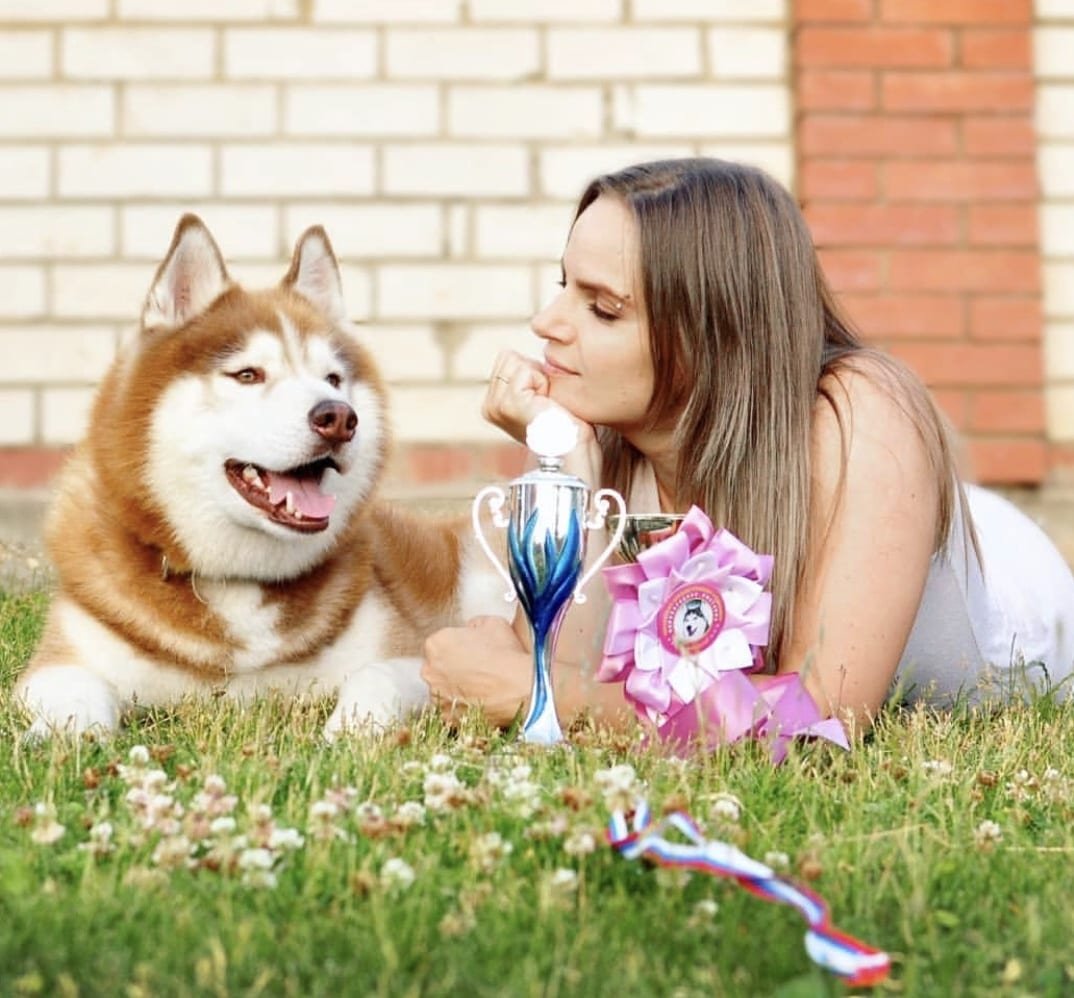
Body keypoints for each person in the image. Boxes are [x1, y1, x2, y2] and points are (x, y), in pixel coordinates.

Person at [421, 157, 1074, 736]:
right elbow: (553, 663)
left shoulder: (861, 412)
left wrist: (549, 700)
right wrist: (567, 466)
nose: (546, 323)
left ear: (712, 333)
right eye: (564, 285)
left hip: (1010, 590)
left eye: (604, 308)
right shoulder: (605, 435)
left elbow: (817, 715)